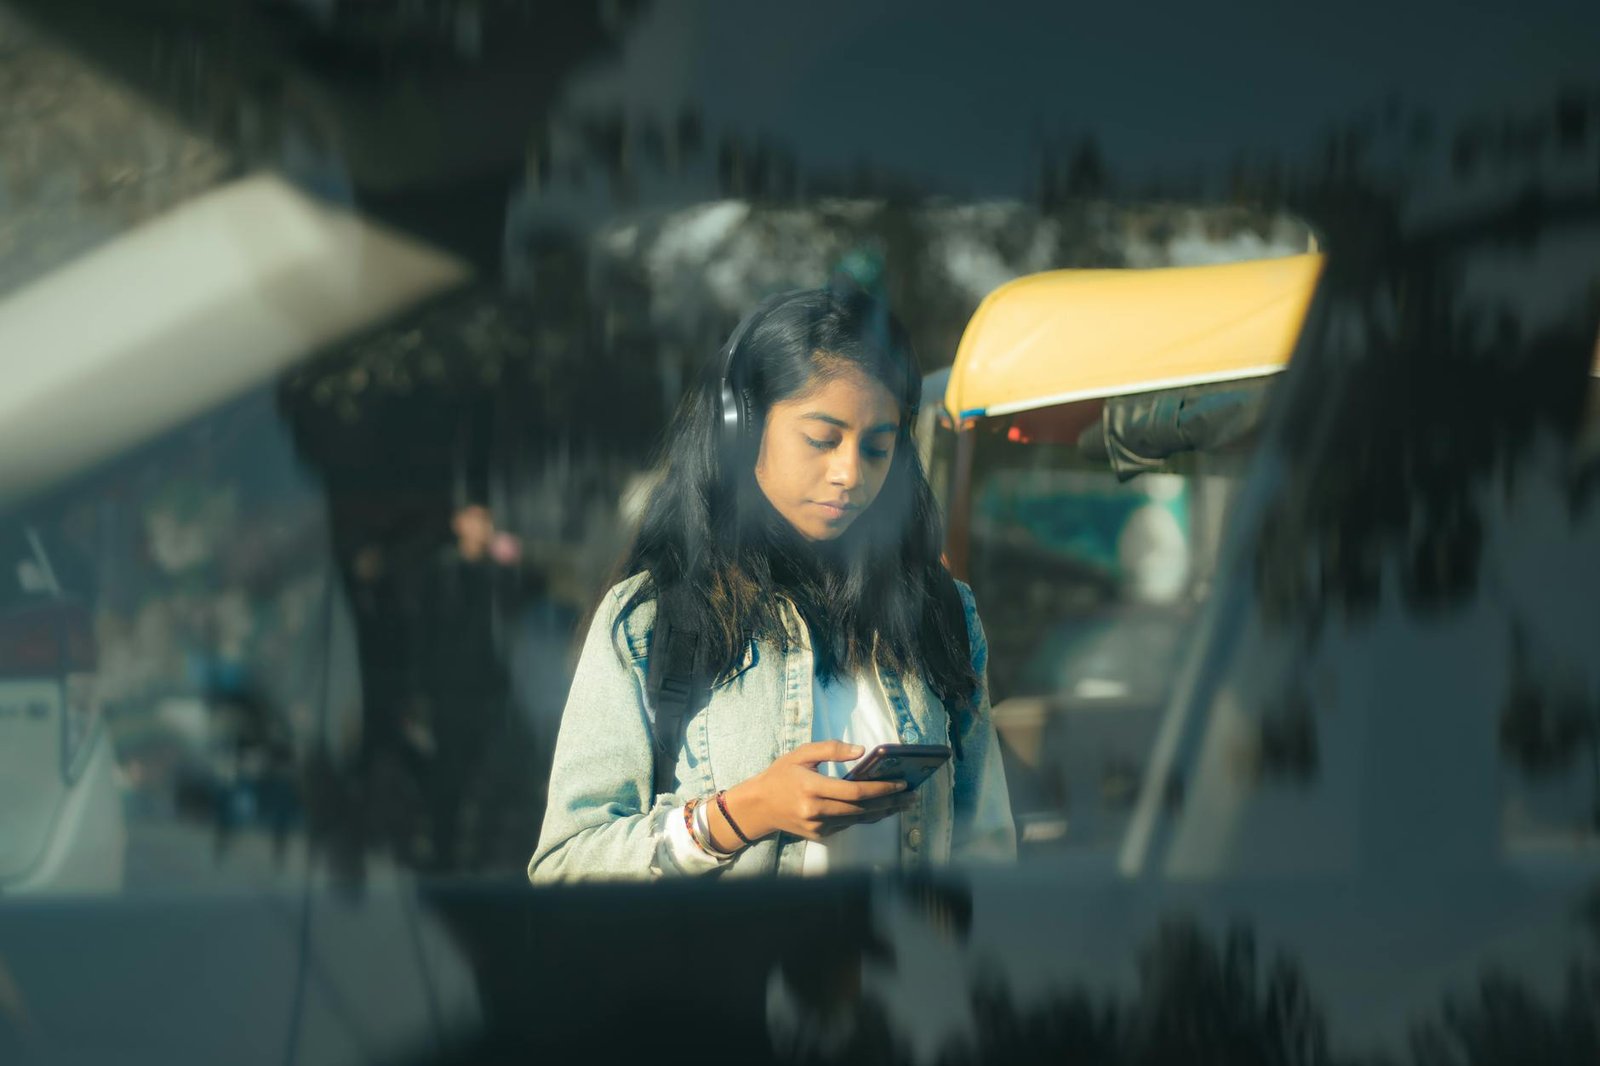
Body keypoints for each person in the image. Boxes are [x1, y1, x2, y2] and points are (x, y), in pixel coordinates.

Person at [528, 285, 1014, 882]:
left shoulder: (941, 611)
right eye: (821, 439)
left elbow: (986, 852)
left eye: (878, 448)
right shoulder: (652, 619)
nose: (849, 474)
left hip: (902, 972)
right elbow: (565, 862)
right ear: (743, 427)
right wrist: (741, 815)